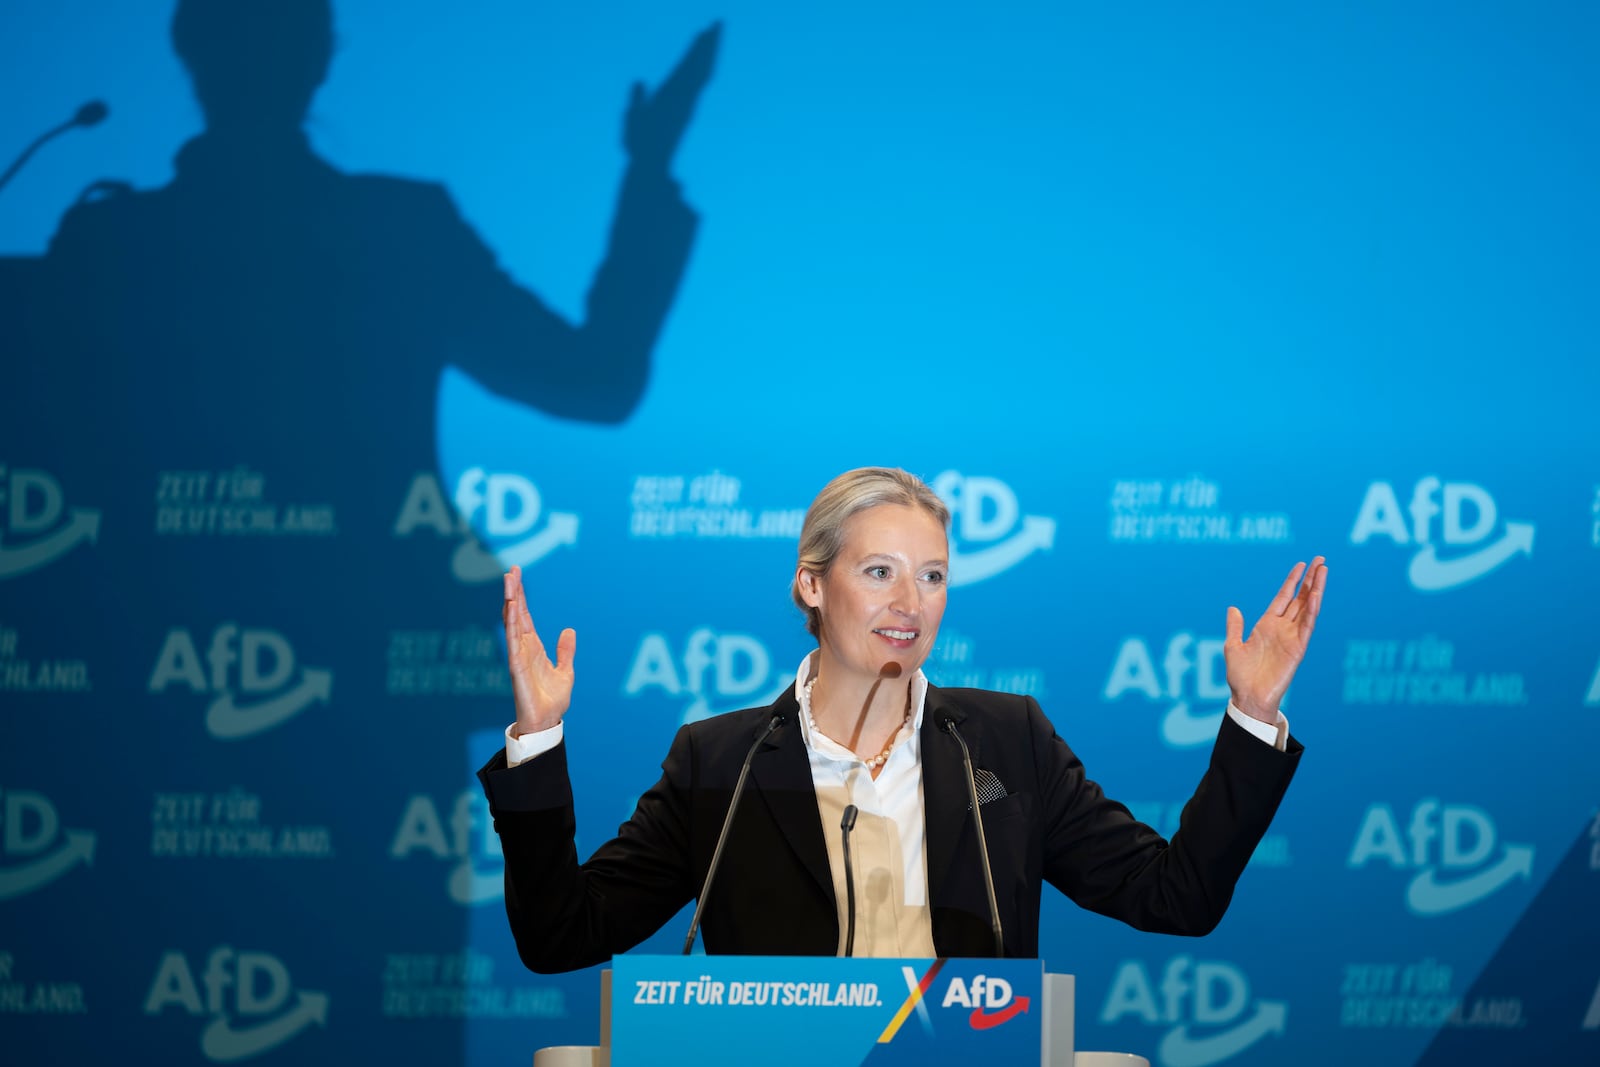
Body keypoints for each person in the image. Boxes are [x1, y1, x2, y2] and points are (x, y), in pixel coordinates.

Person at [478, 468, 1326, 970]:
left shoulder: (1008, 742)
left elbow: (1174, 896)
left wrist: (1253, 715)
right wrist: (540, 740)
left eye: (931, 576)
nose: (908, 603)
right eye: (879, 570)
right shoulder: (721, 762)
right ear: (813, 584)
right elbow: (563, 935)